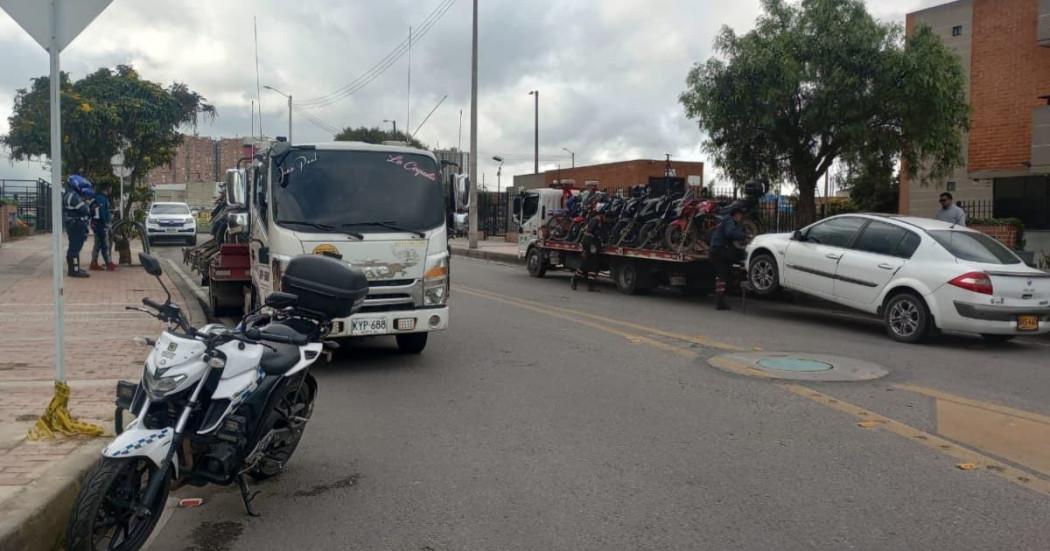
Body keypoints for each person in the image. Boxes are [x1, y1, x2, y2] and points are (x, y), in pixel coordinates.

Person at [709, 206, 750, 311]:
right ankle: (749, 265)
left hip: (716, 251)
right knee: (742, 254)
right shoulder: (729, 220)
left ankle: (720, 301)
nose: (741, 218)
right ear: (736, 214)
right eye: (740, 215)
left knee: (723, 275)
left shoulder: (725, 220)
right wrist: (744, 236)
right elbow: (730, 233)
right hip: (719, 251)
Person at [63, 175, 94, 278]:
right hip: (76, 224)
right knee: (74, 249)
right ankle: (74, 271)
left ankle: (75, 269)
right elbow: (85, 210)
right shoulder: (73, 196)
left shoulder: (70, 194)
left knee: (74, 248)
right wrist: (88, 205)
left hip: (74, 224)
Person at [571, 211, 604, 292]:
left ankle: (590, 286)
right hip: (590, 245)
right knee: (586, 264)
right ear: (602, 215)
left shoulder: (594, 220)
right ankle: (575, 279)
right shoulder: (596, 221)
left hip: (591, 245)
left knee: (593, 265)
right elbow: (590, 232)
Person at [89, 184, 116, 271]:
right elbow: (101, 212)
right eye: (111, 188)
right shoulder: (101, 198)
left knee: (98, 244)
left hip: (97, 224)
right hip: (100, 225)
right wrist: (106, 223)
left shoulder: (98, 197)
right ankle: (108, 263)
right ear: (108, 188)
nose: (111, 190)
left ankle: (94, 262)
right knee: (105, 244)